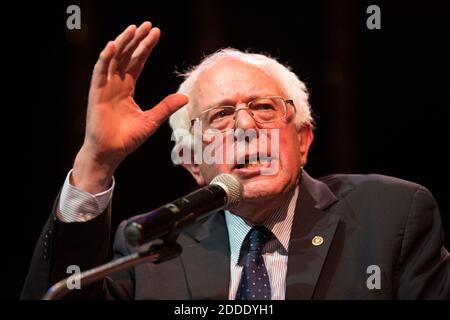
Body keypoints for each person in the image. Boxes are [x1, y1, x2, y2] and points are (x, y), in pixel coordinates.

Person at [22, 21, 449, 299]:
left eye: (264, 108)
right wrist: (95, 163)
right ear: (193, 162)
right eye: (222, 116)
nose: (245, 124)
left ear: (302, 141)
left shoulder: (391, 216)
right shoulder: (150, 249)